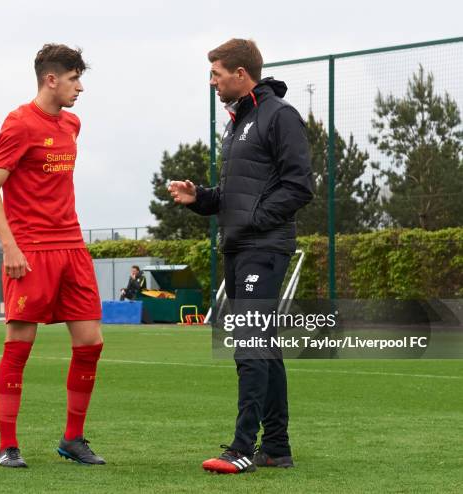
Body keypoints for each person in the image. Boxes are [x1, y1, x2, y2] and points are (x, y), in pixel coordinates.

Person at [169, 39, 313, 474]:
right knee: (262, 347)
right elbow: (236, 197)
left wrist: (253, 220)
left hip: (263, 247)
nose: (211, 82)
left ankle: (242, 448)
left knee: (251, 345)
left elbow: (299, 186)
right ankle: (277, 448)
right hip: (239, 247)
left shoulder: (279, 116)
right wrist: (199, 198)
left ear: (241, 73)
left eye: (216, 74)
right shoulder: (237, 124)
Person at [0, 43, 104, 469]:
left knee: (91, 342)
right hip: (30, 250)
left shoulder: (72, 123)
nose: (80, 88)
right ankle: (8, 445)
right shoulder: (18, 124)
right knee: (20, 344)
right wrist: (10, 245)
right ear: (51, 79)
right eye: (73, 79)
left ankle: (73, 439)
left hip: (72, 247)